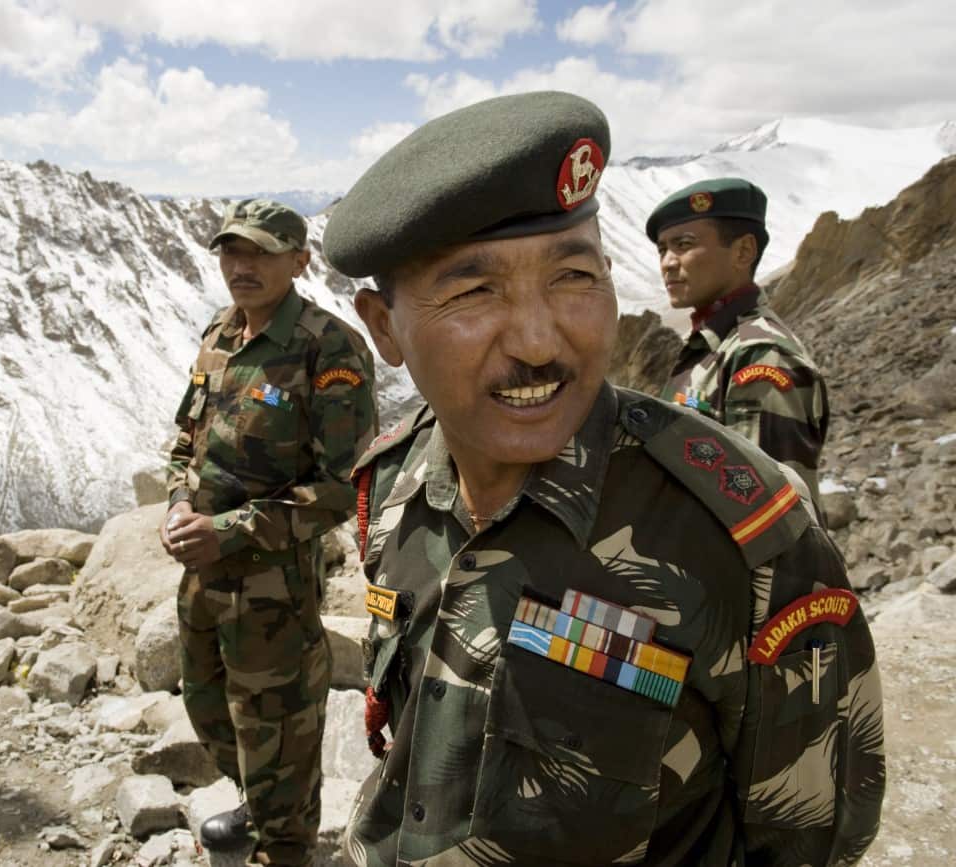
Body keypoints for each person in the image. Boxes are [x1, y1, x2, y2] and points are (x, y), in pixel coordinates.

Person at [322, 92, 884, 866]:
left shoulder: (744, 539)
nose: (538, 339)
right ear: (384, 327)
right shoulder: (392, 484)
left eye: (574, 276)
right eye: (474, 290)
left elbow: (815, 834)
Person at [162, 198, 378, 866]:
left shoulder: (327, 346)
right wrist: (176, 502)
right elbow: (185, 442)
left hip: (272, 581)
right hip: (201, 573)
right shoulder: (219, 334)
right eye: (231, 251)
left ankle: (285, 841)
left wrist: (229, 530)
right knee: (208, 706)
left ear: (299, 260)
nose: (242, 265)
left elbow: (345, 484)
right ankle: (262, 805)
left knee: (279, 727)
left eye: (259, 252)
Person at [649, 178, 830, 509]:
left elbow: (768, 512)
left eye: (684, 245)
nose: (668, 262)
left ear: (743, 251)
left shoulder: (761, 356)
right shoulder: (714, 345)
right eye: (663, 249)